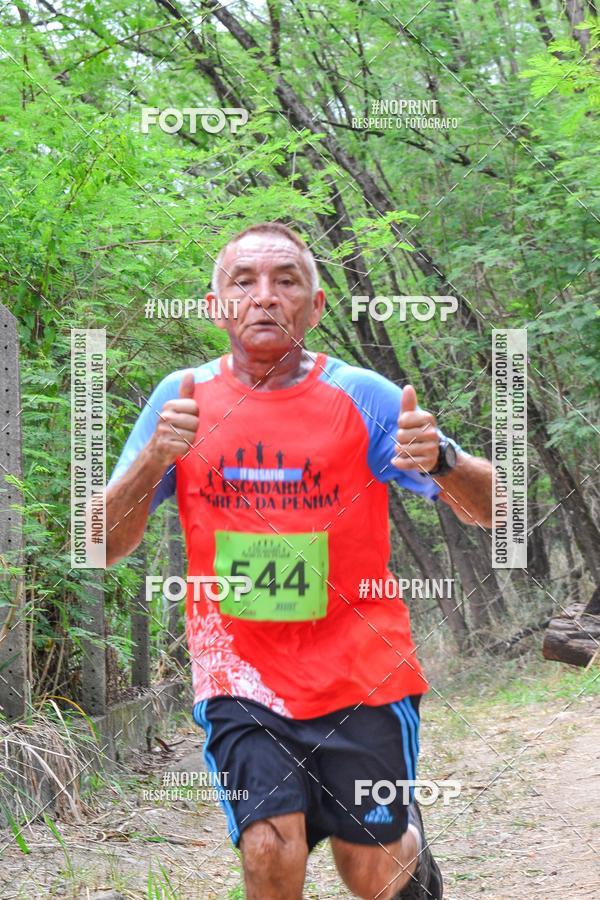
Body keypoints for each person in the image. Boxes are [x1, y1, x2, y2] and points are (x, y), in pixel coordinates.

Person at [106, 222, 493, 899]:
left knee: (369, 866)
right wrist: (151, 462)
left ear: (314, 308)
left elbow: (493, 509)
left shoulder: (364, 396)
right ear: (215, 305)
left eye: (286, 281)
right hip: (241, 676)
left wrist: (444, 460)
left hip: (361, 669)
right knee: (268, 846)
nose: (265, 297)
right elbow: (100, 544)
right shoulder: (184, 399)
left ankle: (405, 849)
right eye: (244, 282)